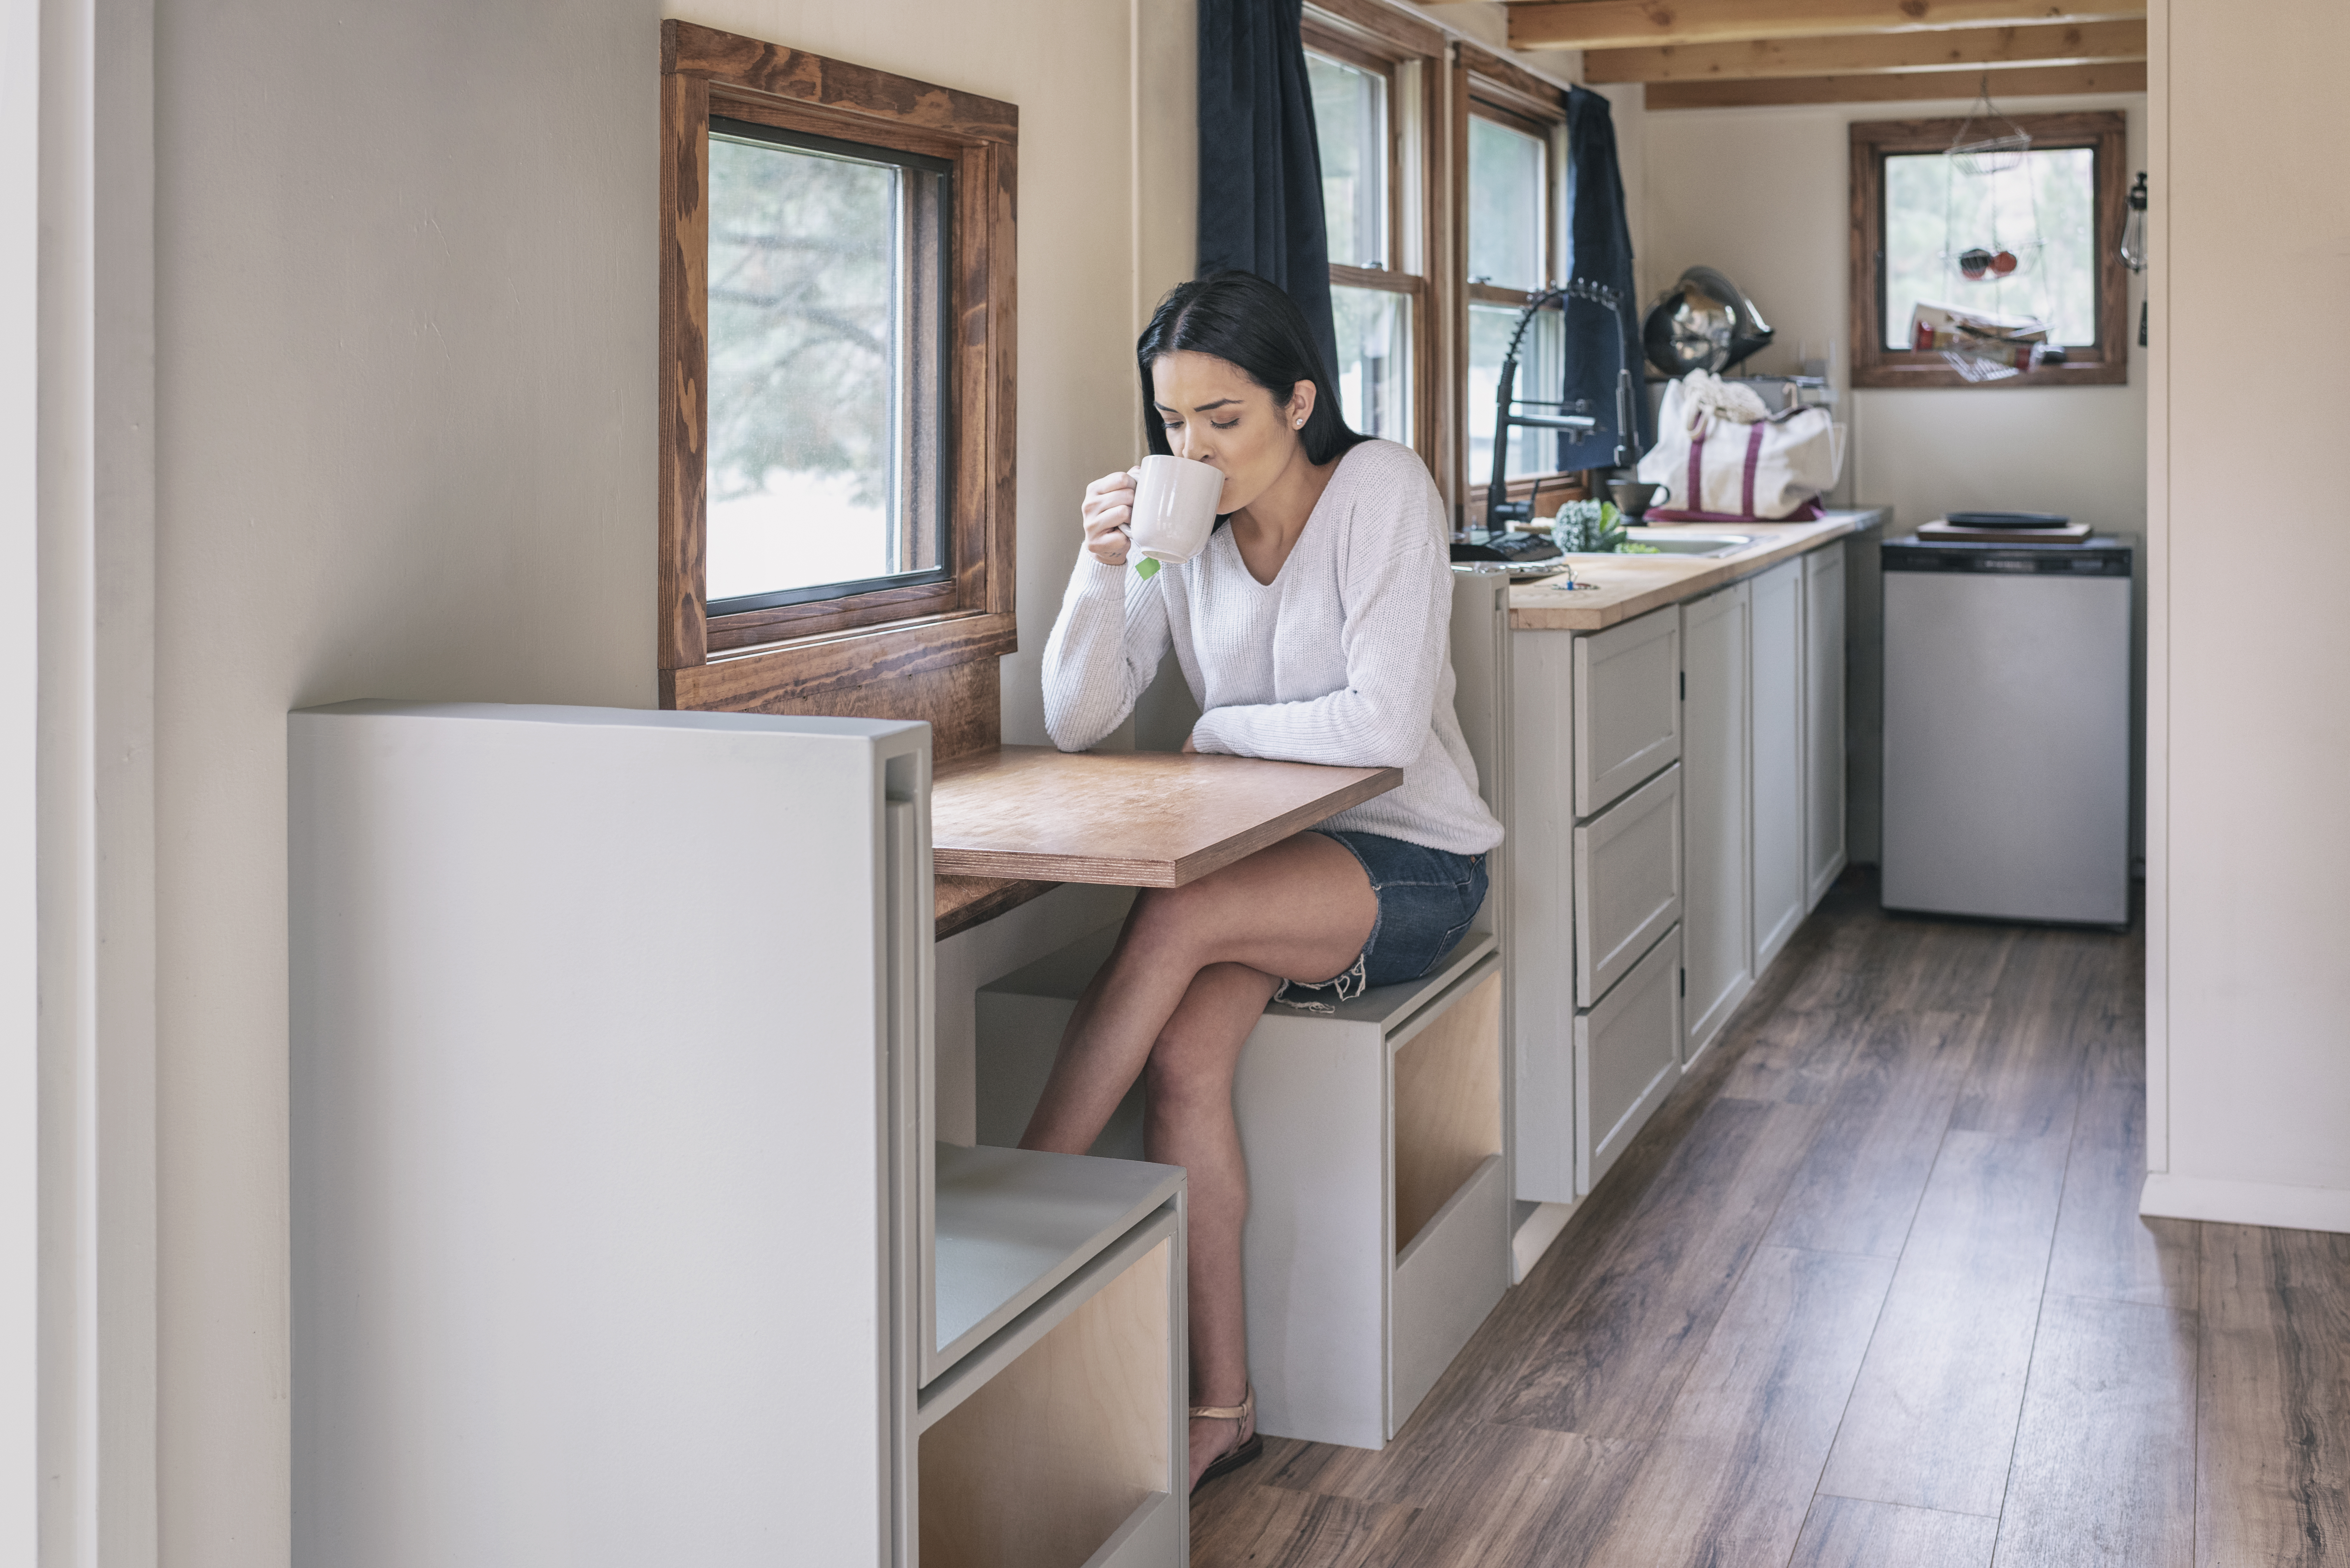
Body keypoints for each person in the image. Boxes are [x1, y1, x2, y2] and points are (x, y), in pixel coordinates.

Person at [1028, 271, 1504, 1493]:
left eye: (1222, 420)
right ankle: (1221, 1407)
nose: (1193, 449)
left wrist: (1222, 733)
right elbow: (1080, 719)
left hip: (1416, 863)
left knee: (1178, 907)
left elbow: (1387, 728)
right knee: (1184, 1063)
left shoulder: (1381, 489)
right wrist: (1106, 566)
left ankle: (1024, 1215)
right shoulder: (1181, 534)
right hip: (1268, 870)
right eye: (1172, 424)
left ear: (1300, 401)